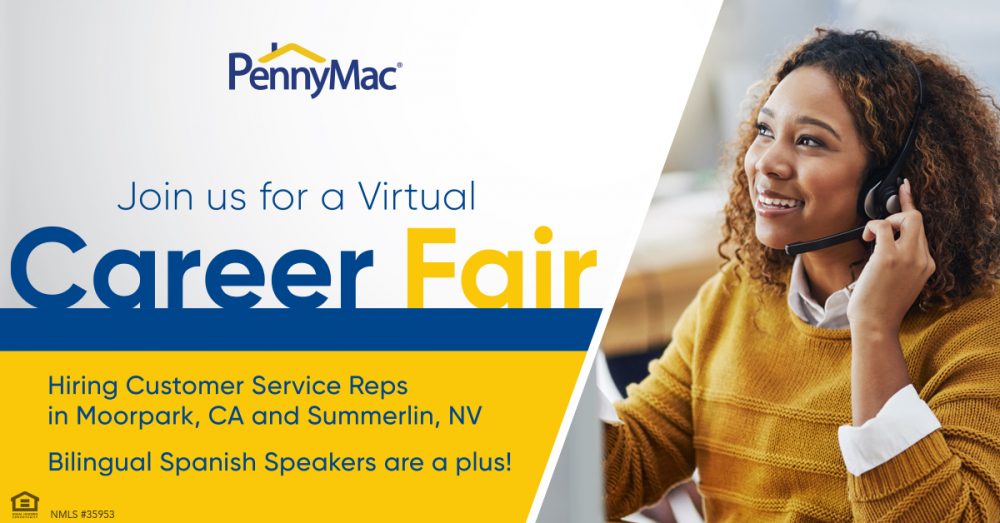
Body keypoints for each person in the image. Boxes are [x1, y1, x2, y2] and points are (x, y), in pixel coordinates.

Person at [603, 28, 1000, 521]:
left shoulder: (980, 330)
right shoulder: (735, 295)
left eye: (810, 141)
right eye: (765, 131)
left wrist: (874, 329)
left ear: (892, 184)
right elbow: (623, 471)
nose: (767, 162)